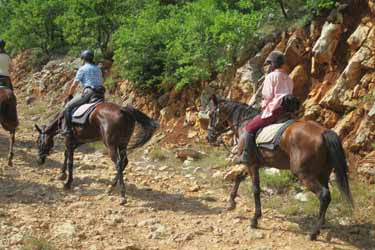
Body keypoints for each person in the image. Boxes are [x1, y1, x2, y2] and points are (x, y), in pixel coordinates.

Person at [234, 51, 293, 164]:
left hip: (274, 110)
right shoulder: (288, 78)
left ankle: (247, 156)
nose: (270, 66)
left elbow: (267, 95)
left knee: (249, 128)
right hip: (287, 111)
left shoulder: (271, 77)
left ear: (274, 64)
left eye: (271, 63)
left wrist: (263, 107)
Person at [62, 49, 105, 137]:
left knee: (67, 107)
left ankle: (68, 130)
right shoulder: (98, 68)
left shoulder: (82, 69)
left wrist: (70, 95)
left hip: (89, 92)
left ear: (83, 59)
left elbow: (74, 85)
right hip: (100, 94)